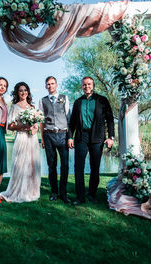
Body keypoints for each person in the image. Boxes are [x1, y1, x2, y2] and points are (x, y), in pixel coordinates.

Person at [68, 76, 115, 206]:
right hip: (81, 137)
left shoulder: (102, 100)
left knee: (95, 167)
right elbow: (72, 123)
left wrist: (111, 137)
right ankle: (80, 196)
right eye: (84, 85)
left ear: (93, 85)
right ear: (82, 87)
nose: (86, 86)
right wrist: (70, 137)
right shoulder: (78, 102)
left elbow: (110, 120)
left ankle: (92, 194)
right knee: (78, 167)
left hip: (97, 137)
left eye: (89, 84)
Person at [0, 82, 41, 202]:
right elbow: (10, 126)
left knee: (32, 164)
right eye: (21, 90)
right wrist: (23, 126)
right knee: (20, 163)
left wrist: (34, 128)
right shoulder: (14, 107)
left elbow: (35, 125)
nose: (23, 92)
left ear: (28, 92)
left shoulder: (32, 108)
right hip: (21, 138)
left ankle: (31, 190)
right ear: (17, 93)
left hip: (31, 139)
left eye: (25, 90)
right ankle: (18, 190)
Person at [39, 76, 71, 203]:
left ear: (56, 85)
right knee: (51, 165)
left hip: (62, 135)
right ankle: (54, 192)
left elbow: (69, 118)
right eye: (48, 84)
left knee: (65, 165)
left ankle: (63, 193)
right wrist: (42, 138)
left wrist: (70, 137)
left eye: (52, 83)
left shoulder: (64, 98)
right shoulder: (42, 101)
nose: (50, 86)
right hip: (48, 135)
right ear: (46, 86)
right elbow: (41, 120)